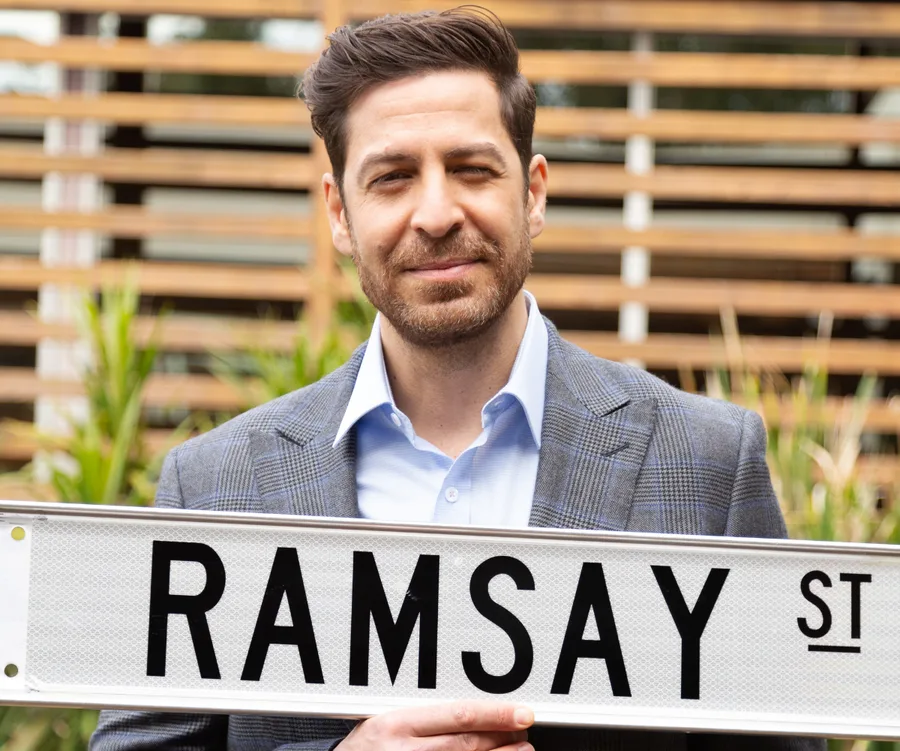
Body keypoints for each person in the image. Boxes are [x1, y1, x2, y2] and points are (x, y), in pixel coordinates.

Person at [91, 7, 825, 751]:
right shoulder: (214, 486)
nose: (436, 213)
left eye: (471, 169)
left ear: (532, 192)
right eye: (393, 178)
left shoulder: (708, 462)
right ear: (340, 213)